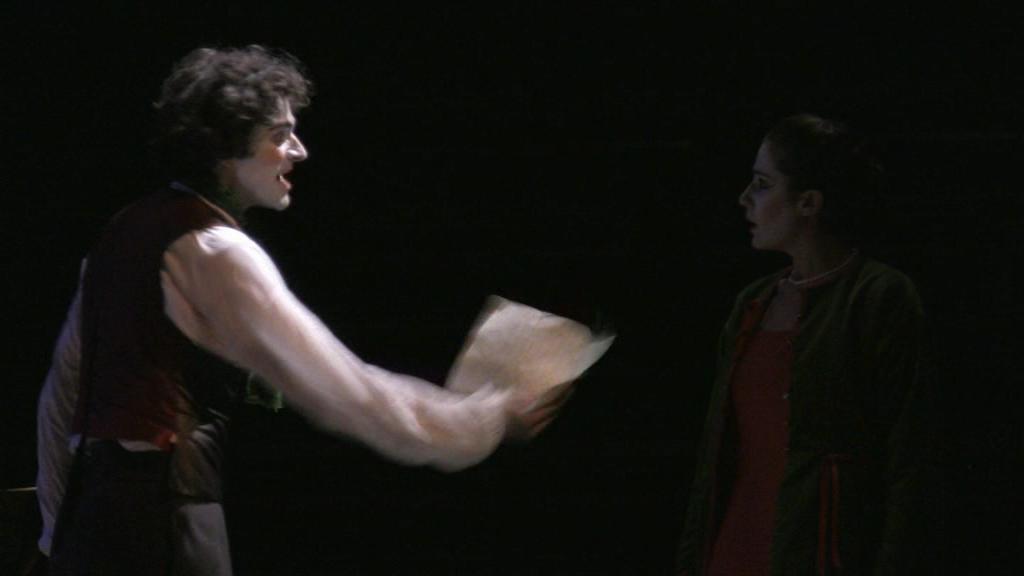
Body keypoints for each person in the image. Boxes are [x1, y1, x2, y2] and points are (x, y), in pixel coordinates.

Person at [35, 45, 573, 576]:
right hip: (165, 523)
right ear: (226, 146)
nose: (299, 151)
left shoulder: (124, 232)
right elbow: (352, 395)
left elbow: (63, 399)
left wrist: (58, 532)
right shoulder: (218, 251)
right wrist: (487, 417)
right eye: (278, 135)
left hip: (96, 521)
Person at [675, 114, 930, 575]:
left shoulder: (879, 297)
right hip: (733, 550)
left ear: (809, 202)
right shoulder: (753, 303)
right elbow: (715, 461)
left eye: (762, 184)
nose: (744, 198)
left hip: (815, 555)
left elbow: (910, 461)